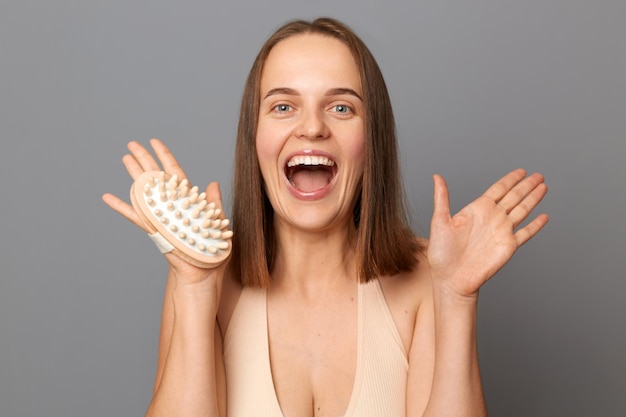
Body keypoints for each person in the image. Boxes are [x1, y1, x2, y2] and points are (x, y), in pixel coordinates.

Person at [102, 17, 548, 417]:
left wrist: (455, 299)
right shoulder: (205, 278)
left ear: (371, 139)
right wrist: (195, 288)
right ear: (254, 139)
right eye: (282, 106)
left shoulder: (427, 278)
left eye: (341, 107)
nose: (312, 127)